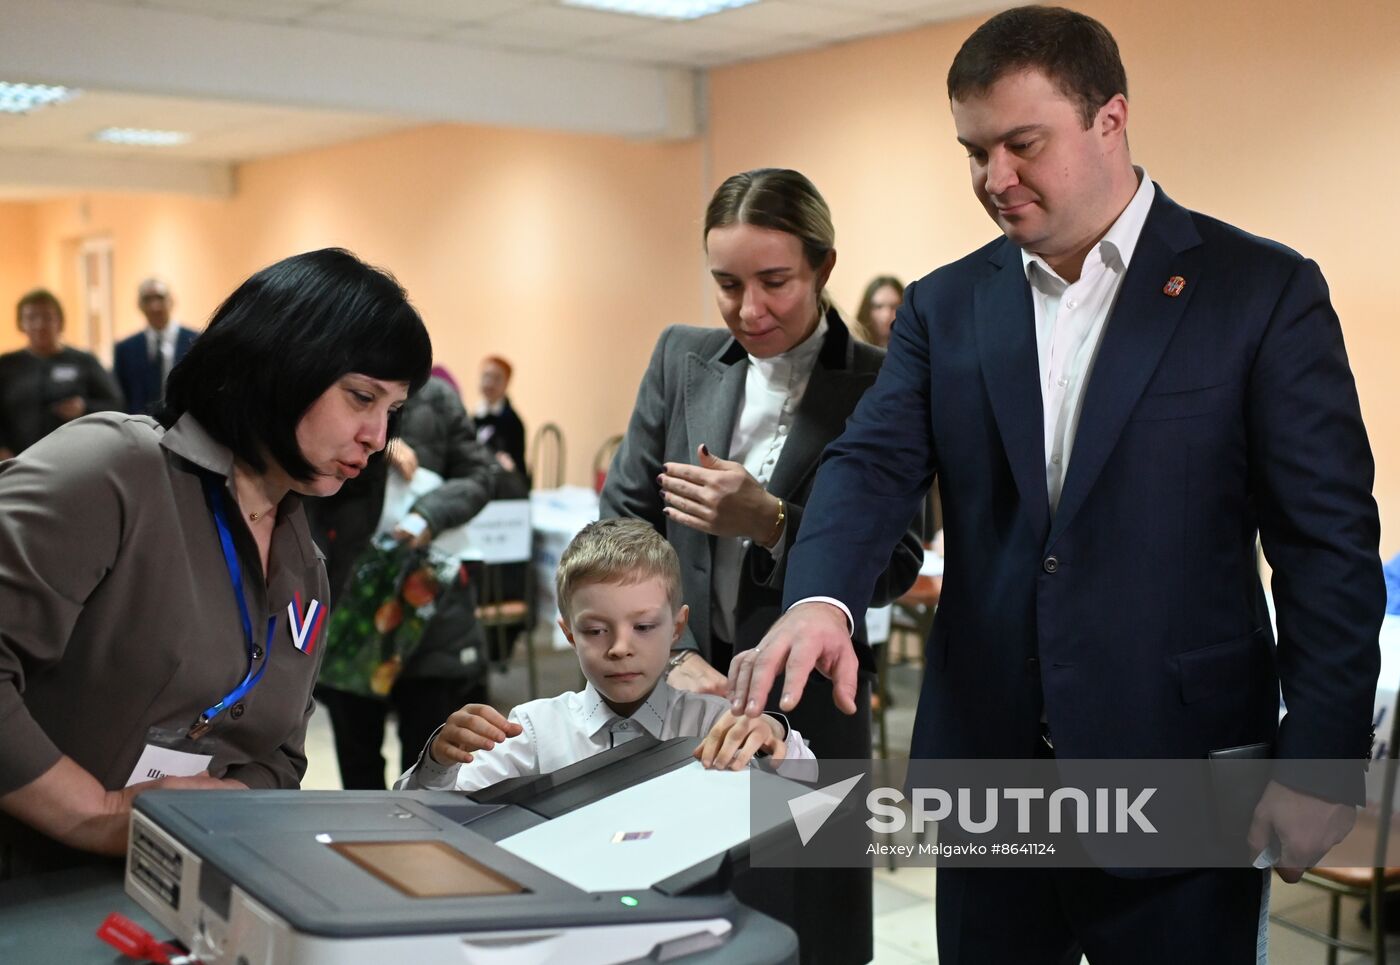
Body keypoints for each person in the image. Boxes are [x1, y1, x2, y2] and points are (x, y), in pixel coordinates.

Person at [733, 8, 1385, 964]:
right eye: (974, 151)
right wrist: (821, 593)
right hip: (992, 772)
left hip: (1181, 768)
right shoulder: (947, 305)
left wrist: (1321, 758)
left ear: (1110, 120)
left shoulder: (1261, 292)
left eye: (1021, 144)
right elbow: (871, 465)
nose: (994, 179)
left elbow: (1326, 545)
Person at [0, 248, 432, 879]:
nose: (376, 435)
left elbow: (281, 757)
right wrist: (95, 811)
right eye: (361, 397)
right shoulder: (116, 469)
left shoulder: (304, 564)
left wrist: (223, 813)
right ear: (283, 362)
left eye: (391, 411)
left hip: (166, 886)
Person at [600, 168, 922, 965]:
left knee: (807, 931)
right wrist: (666, 655)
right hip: (676, 695)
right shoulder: (684, 359)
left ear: (824, 267)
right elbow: (620, 522)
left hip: (808, 704)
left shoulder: (881, 380)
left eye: (775, 282)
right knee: (681, 920)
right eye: (727, 283)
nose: (750, 309)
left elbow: (896, 563)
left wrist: (772, 522)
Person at [396, 517, 812, 792]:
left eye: (644, 627)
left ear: (677, 628)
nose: (619, 648)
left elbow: (816, 805)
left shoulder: (712, 722)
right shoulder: (534, 731)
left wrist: (775, 738)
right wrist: (438, 760)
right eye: (595, 630)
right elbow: (423, 809)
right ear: (569, 633)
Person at [309, 375, 523, 788]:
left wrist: (429, 514)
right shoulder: (328, 385)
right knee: (358, 769)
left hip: (431, 607)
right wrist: (377, 449)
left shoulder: (437, 398)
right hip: (354, 603)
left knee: (432, 767)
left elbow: (480, 475)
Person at [0, 289, 123, 459]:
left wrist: (85, 408)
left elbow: (116, 404)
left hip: (74, 461)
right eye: (31, 318)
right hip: (17, 462)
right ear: (21, 323)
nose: (40, 325)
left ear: (60, 321)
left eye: (47, 317)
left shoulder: (84, 361)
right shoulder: (6, 365)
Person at [113, 277, 199, 415]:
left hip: (185, 422)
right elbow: (121, 395)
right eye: (147, 300)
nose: (155, 306)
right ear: (140, 305)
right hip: (139, 425)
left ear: (171, 301)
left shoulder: (195, 341)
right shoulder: (125, 349)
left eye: (160, 298)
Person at [474, 354, 527, 475]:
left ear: (507, 382)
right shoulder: (474, 417)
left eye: (497, 378)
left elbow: (517, 467)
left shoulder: (512, 422)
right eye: (486, 376)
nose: (489, 383)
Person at [849, 274, 903, 347]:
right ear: (867, 310)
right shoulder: (851, 345)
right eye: (878, 307)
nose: (886, 315)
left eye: (894, 307)